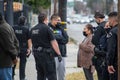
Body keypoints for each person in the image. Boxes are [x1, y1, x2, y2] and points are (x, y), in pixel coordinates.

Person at [30, 13, 62, 80]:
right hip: (46, 55)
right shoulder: (47, 28)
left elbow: (30, 41)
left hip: (37, 55)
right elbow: (54, 42)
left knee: (40, 74)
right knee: (51, 75)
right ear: (45, 19)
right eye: (47, 20)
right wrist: (59, 54)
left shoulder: (33, 29)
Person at [48, 14, 69, 80]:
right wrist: (59, 38)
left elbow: (66, 40)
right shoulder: (48, 28)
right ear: (53, 20)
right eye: (58, 20)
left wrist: (57, 38)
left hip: (62, 54)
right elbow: (51, 40)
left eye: (60, 20)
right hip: (52, 55)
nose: (60, 22)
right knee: (52, 74)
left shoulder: (61, 28)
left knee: (62, 74)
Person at [0, 12, 19, 80]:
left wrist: (14, 57)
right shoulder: (7, 26)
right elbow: (16, 42)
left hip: (3, 63)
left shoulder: (2, 28)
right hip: (6, 63)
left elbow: (9, 46)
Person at [13, 16, 32, 80]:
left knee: (13, 63)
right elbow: (29, 40)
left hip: (15, 48)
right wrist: (29, 49)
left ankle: (12, 76)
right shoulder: (26, 29)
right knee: (22, 64)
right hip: (24, 49)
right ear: (25, 22)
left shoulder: (14, 28)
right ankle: (22, 78)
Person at [92, 12, 109, 80]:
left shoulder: (99, 28)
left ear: (98, 19)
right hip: (107, 54)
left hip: (100, 55)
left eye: (95, 19)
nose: (95, 21)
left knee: (101, 76)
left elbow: (94, 41)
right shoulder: (108, 25)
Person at [107, 12, 118, 80]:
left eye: (108, 19)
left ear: (112, 20)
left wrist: (110, 64)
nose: (108, 21)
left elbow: (111, 49)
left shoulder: (113, 32)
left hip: (115, 64)